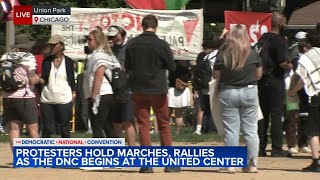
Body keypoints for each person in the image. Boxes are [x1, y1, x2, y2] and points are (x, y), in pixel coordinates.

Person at [125, 14, 178, 173]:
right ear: (156, 26)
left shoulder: (132, 43)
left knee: (143, 125)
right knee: (163, 124)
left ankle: (147, 164)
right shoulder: (161, 44)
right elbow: (172, 66)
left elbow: (127, 65)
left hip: (139, 88)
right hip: (158, 88)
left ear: (142, 26)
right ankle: (169, 163)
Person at [213, 24, 262, 173]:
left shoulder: (223, 54)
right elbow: (259, 75)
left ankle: (230, 164)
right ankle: (252, 164)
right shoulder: (253, 53)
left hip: (228, 92)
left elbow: (216, 76)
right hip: (249, 91)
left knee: (231, 130)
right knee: (251, 130)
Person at [257, 13, 293, 157]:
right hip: (275, 79)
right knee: (276, 114)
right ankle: (277, 148)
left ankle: (260, 147)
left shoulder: (262, 38)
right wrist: (292, 66)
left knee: (262, 115)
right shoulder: (279, 41)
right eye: (285, 22)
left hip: (261, 80)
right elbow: (283, 62)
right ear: (280, 24)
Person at [288, 29, 320, 172]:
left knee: (313, 130)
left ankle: (316, 162)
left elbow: (302, 79)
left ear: (310, 42)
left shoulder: (307, 57)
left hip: (315, 95)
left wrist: (292, 91)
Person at [0, 34, 40, 149]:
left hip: (8, 97)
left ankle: (17, 158)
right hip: (25, 97)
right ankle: (36, 157)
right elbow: (32, 79)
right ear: (27, 46)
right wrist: (39, 79)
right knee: (33, 129)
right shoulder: (29, 58)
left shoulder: (6, 56)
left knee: (14, 129)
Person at [83, 28, 120, 138]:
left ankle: (98, 152)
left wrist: (94, 97)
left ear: (98, 40)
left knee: (97, 128)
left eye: (90, 39)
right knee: (107, 126)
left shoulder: (99, 55)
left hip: (101, 95)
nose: (88, 42)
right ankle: (115, 151)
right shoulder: (108, 54)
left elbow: (99, 76)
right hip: (107, 94)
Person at [39, 34, 75, 138]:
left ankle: (66, 151)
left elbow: (71, 80)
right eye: (50, 45)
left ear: (61, 45)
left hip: (64, 99)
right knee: (47, 129)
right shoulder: (46, 61)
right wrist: (37, 79)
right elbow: (44, 79)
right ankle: (46, 151)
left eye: (54, 44)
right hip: (47, 99)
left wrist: (74, 93)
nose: (52, 47)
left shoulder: (69, 62)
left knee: (65, 128)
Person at [107, 25, 136, 146]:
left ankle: (131, 150)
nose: (113, 38)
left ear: (121, 33)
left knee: (127, 121)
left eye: (115, 36)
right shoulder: (112, 49)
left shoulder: (131, 46)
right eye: (111, 36)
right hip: (114, 88)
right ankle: (116, 150)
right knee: (116, 121)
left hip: (128, 89)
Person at [168, 60, 192, 135]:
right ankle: (177, 132)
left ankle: (165, 132)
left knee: (167, 114)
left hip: (170, 90)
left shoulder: (169, 68)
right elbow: (190, 79)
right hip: (182, 91)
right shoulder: (185, 69)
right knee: (179, 114)